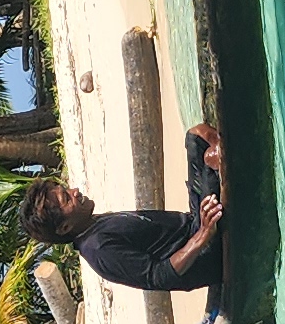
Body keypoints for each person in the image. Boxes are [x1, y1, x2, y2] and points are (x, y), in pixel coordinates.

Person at [21, 126, 225, 295]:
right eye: (67, 199)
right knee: (212, 161)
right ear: (65, 227)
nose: (74, 191)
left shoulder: (92, 225)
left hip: (194, 225)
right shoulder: (100, 250)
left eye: (66, 189)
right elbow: (158, 276)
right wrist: (203, 235)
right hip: (205, 254)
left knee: (196, 136)